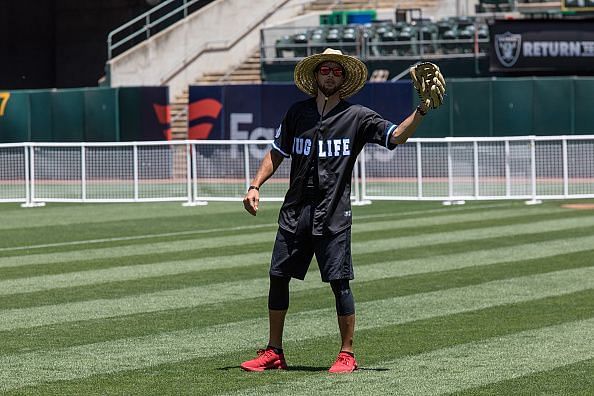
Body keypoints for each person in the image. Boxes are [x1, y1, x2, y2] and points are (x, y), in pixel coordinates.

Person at [240, 48, 430, 373]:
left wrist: (423, 108)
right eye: (325, 69)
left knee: (339, 282)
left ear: (344, 79)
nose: (330, 75)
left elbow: (396, 136)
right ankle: (274, 352)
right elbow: (276, 152)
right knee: (277, 277)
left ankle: (347, 354)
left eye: (337, 71)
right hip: (295, 211)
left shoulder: (357, 116)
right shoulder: (297, 113)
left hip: (333, 213)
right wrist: (255, 185)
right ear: (315, 76)